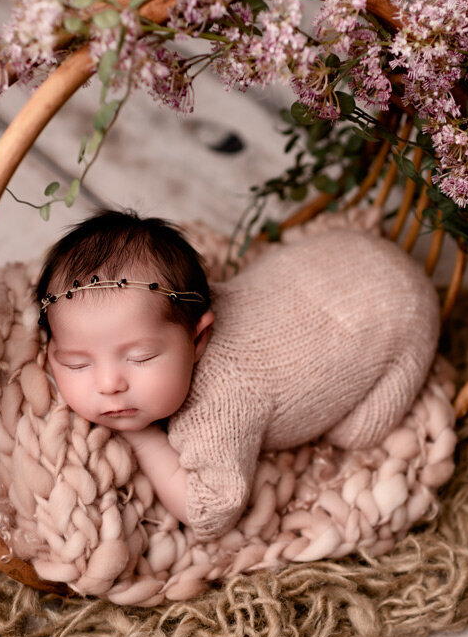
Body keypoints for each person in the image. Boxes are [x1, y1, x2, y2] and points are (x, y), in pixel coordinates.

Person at [36, 209, 439, 541]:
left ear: (199, 339)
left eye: (140, 358)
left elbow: (210, 512)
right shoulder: (169, 311)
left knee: (357, 434)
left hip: (404, 311)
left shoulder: (217, 408)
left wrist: (142, 438)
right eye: (76, 363)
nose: (109, 385)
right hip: (345, 257)